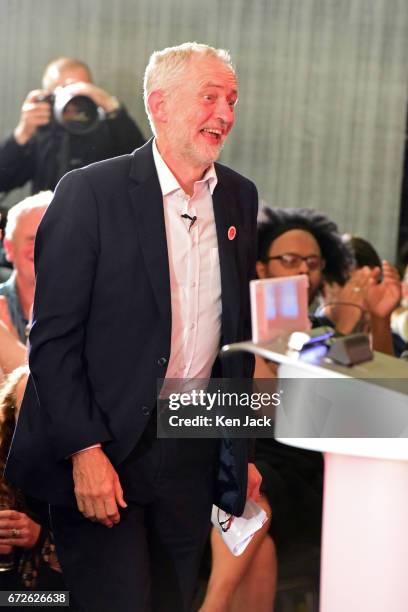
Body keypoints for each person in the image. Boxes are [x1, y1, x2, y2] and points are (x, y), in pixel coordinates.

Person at [6, 42, 261, 612]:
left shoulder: (241, 198)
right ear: (159, 105)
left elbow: (233, 343)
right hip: (105, 449)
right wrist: (84, 451)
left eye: (232, 100)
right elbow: (52, 341)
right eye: (210, 97)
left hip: (191, 447)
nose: (225, 113)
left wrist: (237, 453)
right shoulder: (89, 193)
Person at [0, 57, 145, 195]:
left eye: (80, 89)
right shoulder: (41, 132)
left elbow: (144, 172)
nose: (73, 99)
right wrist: (22, 134)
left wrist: (112, 108)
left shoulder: (110, 127)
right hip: (50, 218)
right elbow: (3, 181)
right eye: (64, 90)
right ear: (48, 96)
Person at [0, 192, 51, 343]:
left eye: (52, 238)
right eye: (32, 240)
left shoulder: (94, 309)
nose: (42, 248)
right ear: (9, 248)